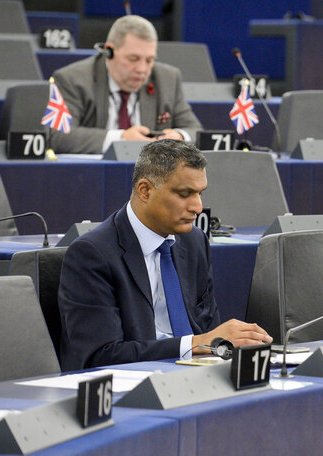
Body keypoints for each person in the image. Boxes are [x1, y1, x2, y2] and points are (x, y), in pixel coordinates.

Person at [58, 140, 272, 371]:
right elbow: (100, 356)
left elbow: (208, 331)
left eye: (200, 193)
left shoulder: (194, 242)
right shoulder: (92, 254)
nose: (197, 207)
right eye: (184, 194)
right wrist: (196, 344)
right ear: (145, 191)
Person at [51, 15, 202, 154]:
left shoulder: (167, 79)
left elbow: (196, 131)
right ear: (109, 51)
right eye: (133, 59)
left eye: (149, 60)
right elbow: (57, 136)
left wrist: (179, 136)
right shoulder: (72, 79)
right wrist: (122, 138)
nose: (142, 69)